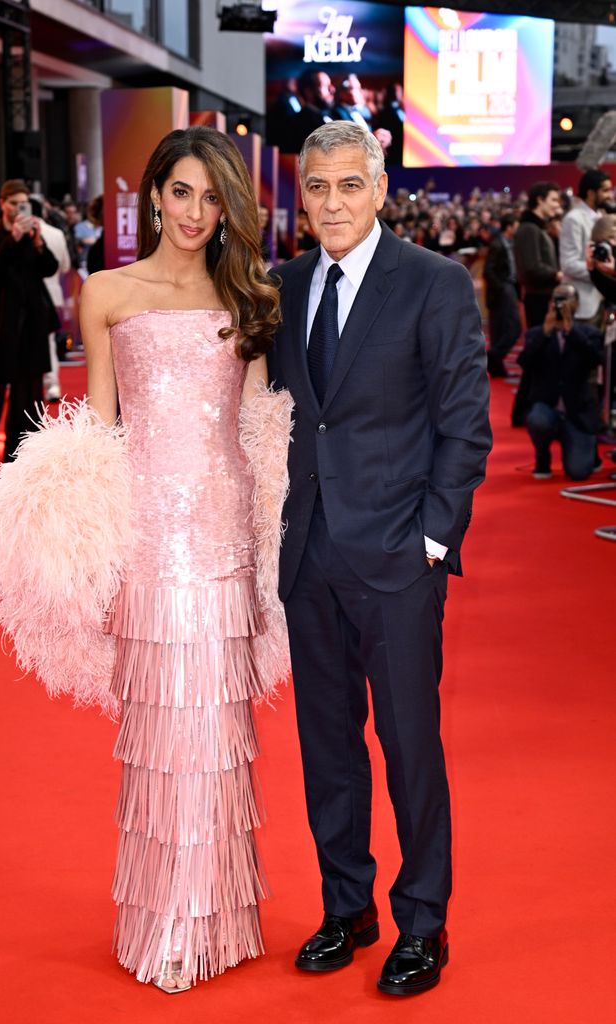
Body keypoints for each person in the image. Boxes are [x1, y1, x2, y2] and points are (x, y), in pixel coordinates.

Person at [268, 123, 491, 997]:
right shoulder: (284, 283)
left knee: (407, 747)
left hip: (399, 559)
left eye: (348, 186)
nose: (331, 203)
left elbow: (464, 424)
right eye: (316, 187)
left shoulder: (433, 285)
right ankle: (346, 906)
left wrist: (432, 540)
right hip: (308, 554)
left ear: (380, 188)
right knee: (327, 746)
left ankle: (422, 923)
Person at [80, 126, 283, 992]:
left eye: (213, 198)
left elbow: (261, 433)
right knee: (164, 737)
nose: (197, 213)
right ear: (154, 193)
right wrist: (83, 548)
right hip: (149, 542)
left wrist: (274, 550)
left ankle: (217, 921)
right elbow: (97, 432)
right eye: (182, 192)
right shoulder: (107, 292)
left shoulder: (247, 299)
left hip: (227, 535)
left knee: (218, 736)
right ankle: (167, 921)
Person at [0, 180, 58, 465]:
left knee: (28, 394)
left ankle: (22, 457)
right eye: (13, 203)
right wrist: (13, 239)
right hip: (0, 326)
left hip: (31, 324)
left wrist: (38, 243)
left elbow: (49, 268)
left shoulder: (33, 232)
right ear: (2, 203)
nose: (18, 208)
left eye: (23, 203)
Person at [518, 284, 603, 479]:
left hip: (577, 412)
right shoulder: (537, 334)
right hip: (547, 408)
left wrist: (570, 331)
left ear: (577, 304)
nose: (560, 303)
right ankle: (542, 456)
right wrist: (545, 333)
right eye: (556, 298)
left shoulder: (589, 333)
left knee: (579, 472)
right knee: (538, 420)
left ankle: (586, 448)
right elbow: (524, 362)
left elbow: (595, 359)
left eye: (565, 298)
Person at [560, 169, 614, 328]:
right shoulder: (573, 219)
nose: (610, 195)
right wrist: (601, 272)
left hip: (604, 301)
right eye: (605, 190)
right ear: (590, 193)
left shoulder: (602, 217)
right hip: (584, 304)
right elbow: (569, 264)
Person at [31, 196, 71, 402]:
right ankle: (52, 384)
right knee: (48, 343)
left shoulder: (22, 233)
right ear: (44, 212)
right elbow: (65, 266)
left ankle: (41, 384)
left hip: (33, 297)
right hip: (53, 294)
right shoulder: (56, 234)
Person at [514, 181, 563, 329]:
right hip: (538, 299)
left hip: (544, 296)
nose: (557, 205)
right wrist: (557, 274)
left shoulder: (537, 228)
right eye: (553, 200)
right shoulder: (530, 229)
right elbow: (532, 267)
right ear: (540, 200)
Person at [483, 213, 521, 377]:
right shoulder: (498, 243)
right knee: (513, 328)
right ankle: (495, 355)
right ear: (510, 226)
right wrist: (502, 288)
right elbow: (488, 271)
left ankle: (496, 361)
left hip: (508, 288)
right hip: (503, 290)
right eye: (516, 224)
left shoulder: (509, 243)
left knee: (505, 329)